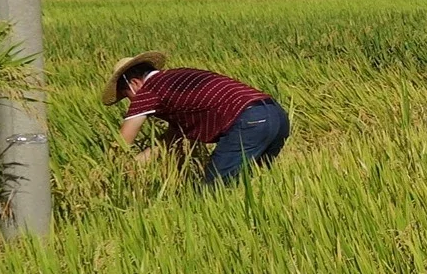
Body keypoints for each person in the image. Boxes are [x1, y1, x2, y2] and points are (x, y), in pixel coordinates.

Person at [105, 53, 289, 186]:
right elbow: (168, 142)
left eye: (126, 95)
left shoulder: (148, 91)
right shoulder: (175, 82)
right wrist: (132, 166)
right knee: (253, 183)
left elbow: (122, 141)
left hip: (248, 122)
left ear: (134, 83)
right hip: (276, 115)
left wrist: (109, 170)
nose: (131, 101)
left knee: (213, 191)